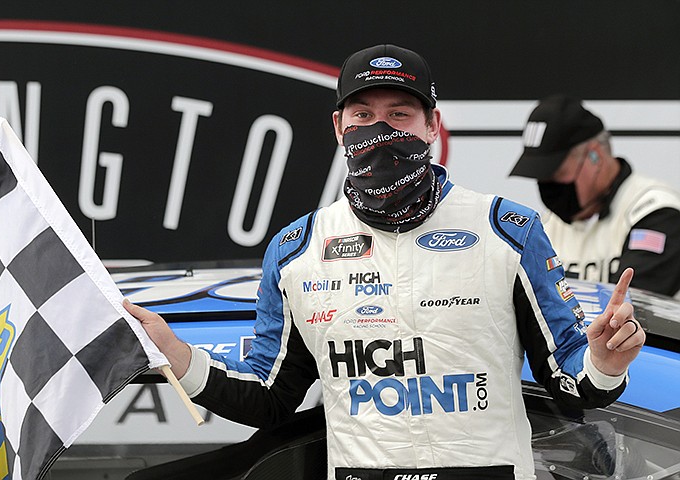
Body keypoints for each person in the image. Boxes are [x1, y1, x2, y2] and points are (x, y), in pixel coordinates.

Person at [124, 45, 645, 480]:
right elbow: (270, 397)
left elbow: (570, 378)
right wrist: (177, 354)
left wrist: (604, 361)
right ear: (338, 127)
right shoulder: (296, 252)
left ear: (431, 125)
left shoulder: (508, 230)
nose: (381, 130)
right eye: (364, 116)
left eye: (399, 114)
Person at [509, 94, 680, 298]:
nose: (548, 186)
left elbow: (632, 308)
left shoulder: (655, 211)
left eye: (556, 173)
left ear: (595, 156)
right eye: (541, 177)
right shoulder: (547, 226)